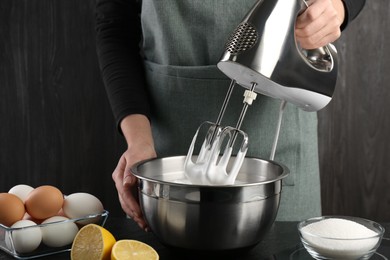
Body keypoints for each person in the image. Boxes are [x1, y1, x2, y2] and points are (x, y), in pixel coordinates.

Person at [95, 0, 366, 231]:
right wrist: (138, 142)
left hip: (279, 133)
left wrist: (339, 6)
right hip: (165, 150)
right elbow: (115, 24)